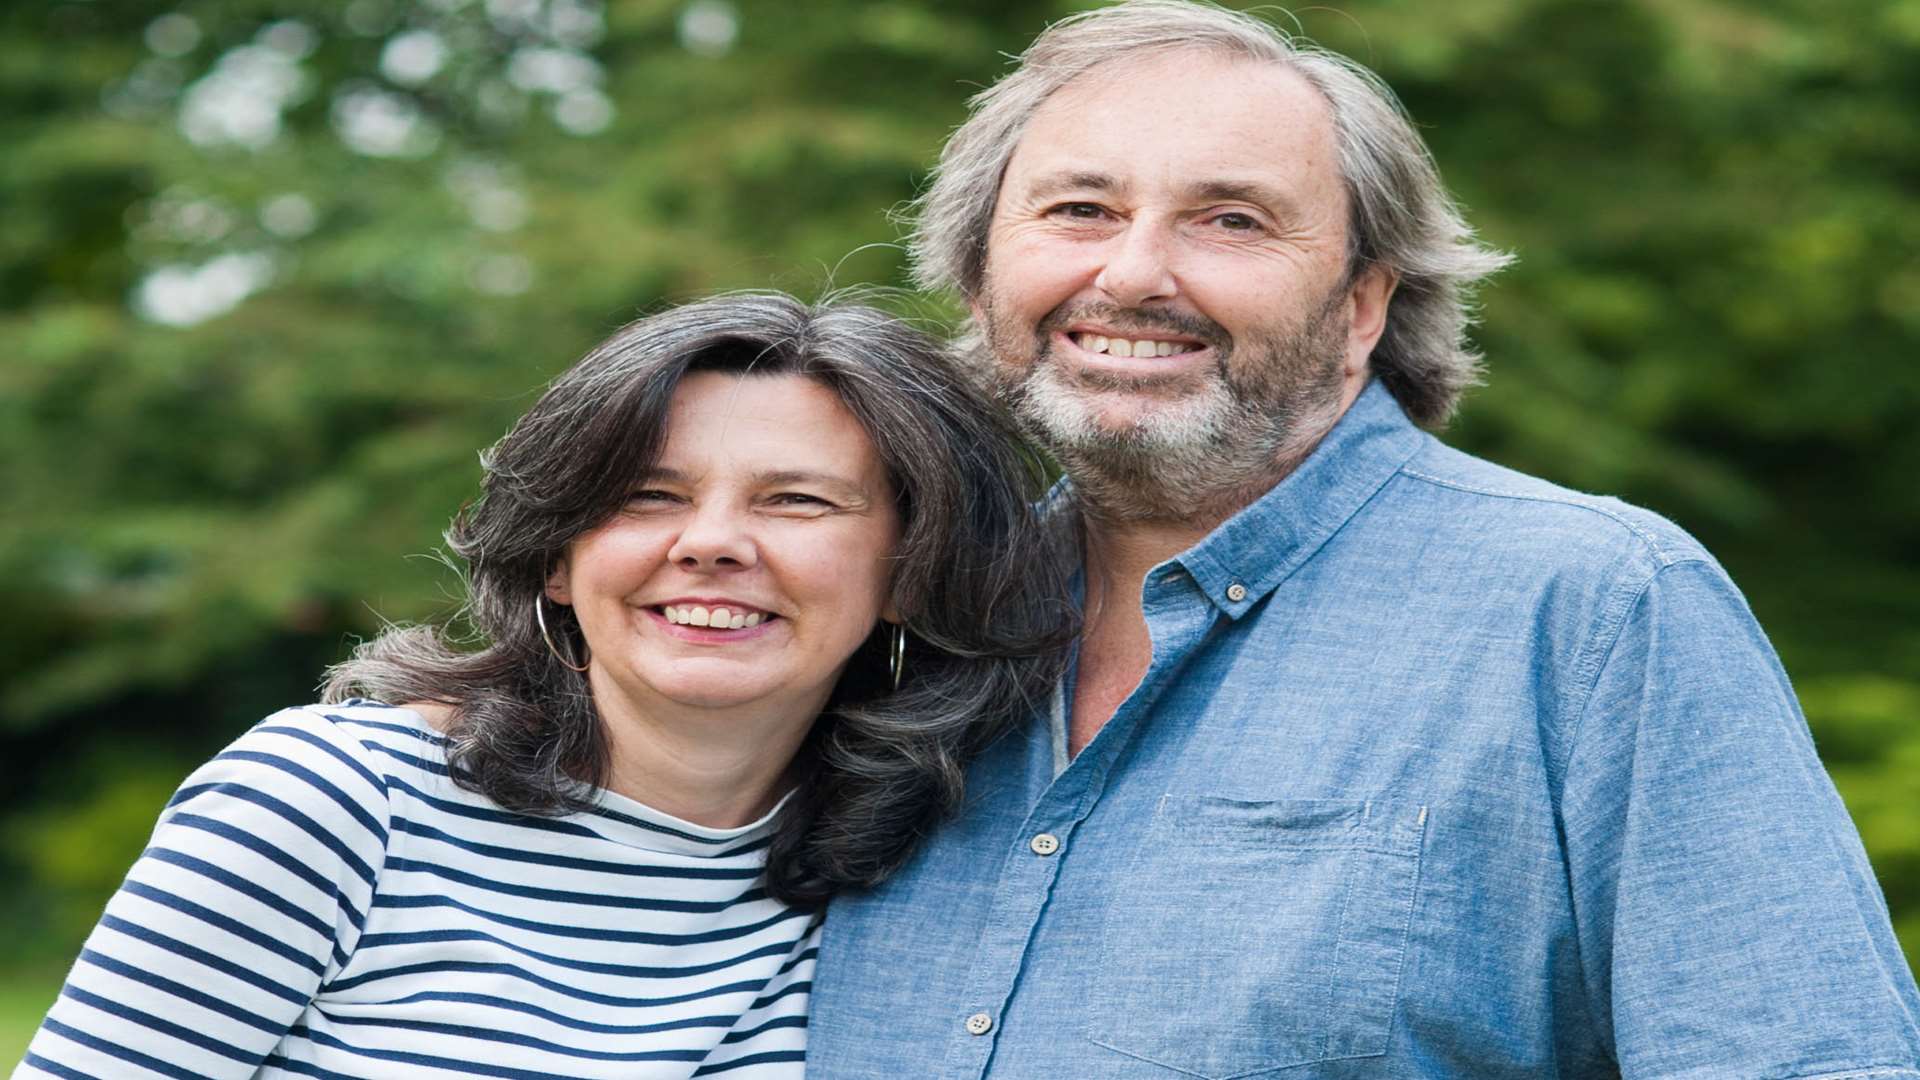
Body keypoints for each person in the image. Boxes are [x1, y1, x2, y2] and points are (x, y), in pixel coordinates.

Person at [807, 3, 1920, 1077]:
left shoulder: (1597, 612)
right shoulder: (898, 628)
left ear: (1362, 305)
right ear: (979, 269)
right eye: (1079, 211)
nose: (1135, 273)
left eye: (1229, 220)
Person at [15, 292, 1073, 1079]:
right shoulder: (336, 804)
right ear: (558, 557)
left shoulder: (906, 875)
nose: (710, 544)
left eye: (796, 501)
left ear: (908, 571)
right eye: (649, 496)